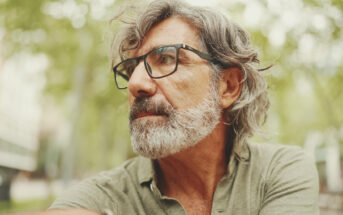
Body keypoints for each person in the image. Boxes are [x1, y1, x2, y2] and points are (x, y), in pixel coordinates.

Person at [12, 0, 319, 215]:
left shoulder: (282, 172)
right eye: (131, 68)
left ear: (227, 87)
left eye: (167, 58)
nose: (136, 84)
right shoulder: (99, 197)